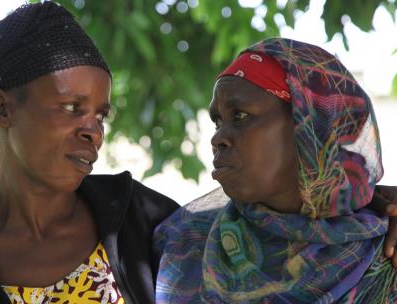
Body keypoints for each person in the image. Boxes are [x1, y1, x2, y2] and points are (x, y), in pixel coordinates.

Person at [0, 1, 179, 304]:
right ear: (1, 108)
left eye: (100, 115)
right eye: (71, 107)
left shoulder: (146, 222)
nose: (93, 132)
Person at [154, 38, 397, 303]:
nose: (218, 138)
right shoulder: (183, 244)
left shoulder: (385, 256)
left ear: (308, 129)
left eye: (240, 116)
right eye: (218, 121)